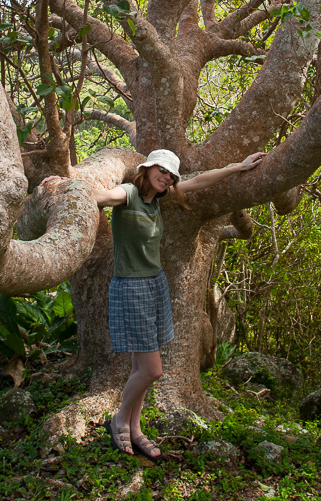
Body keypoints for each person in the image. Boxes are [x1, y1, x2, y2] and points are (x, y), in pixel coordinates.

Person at [94, 148, 266, 461]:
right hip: (131, 287)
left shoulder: (159, 199)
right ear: (147, 168)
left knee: (139, 366)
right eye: (162, 170)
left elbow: (200, 181)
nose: (168, 177)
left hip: (155, 284)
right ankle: (119, 418)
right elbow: (102, 197)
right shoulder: (129, 194)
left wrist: (237, 167)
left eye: (172, 175)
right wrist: (68, 186)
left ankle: (135, 427)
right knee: (152, 370)